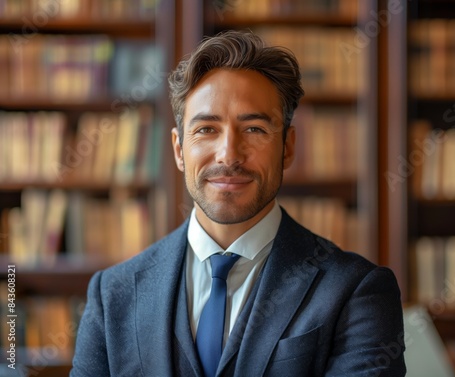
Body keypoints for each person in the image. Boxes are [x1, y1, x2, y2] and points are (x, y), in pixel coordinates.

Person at [71, 30, 406, 377]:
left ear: (288, 147)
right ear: (178, 149)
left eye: (255, 129)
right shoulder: (112, 295)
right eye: (206, 129)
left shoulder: (356, 290)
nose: (229, 154)